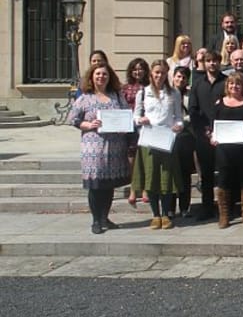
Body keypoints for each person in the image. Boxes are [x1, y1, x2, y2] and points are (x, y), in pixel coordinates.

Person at [69, 63, 131, 234]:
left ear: (109, 77)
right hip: (94, 146)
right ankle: (96, 220)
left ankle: (105, 217)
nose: (101, 77)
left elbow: (127, 114)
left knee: (109, 184)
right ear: (92, 77)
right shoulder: (85, 98)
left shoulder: (117, 96)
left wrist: (125, 125)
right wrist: (89, 124)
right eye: (98, 74)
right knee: (96, 185)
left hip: (115, 146)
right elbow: (73, 119)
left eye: (104, 74)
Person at [132, 60, 184, 230]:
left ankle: (166, 214)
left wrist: (179, 126)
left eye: (162, 72)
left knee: (166, 178)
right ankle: (155, 214)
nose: (159, 76)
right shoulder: (143, 93)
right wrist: (140, 120)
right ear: (151, 74)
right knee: (151, 177)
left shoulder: (174, 93)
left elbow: (179, 117)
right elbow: (136, 115)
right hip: (148, 139)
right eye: (156, 72)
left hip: (166, 139)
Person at [209, 74, 243, 229]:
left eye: (238, 84)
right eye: (231, 84)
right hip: (224, 149)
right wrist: (212, 137)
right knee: (223, 181)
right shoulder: (219, 103)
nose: (234, 87)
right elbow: (212, 126)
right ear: (227, 86)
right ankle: (224, 215)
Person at [187, 51, 226, 221]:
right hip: (203, 136)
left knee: (225, 173)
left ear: (219, 62)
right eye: (208, 61)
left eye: (215, 61)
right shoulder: (197, 84)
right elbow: (193, 110)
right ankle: (207, 207)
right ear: (204, 63)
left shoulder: (226, 82)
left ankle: (226, 207)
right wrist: (205, 131)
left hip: (224, 135)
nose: (212, 64)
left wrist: (219, 130)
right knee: (206, 175)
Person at [122, 58, 149, 206]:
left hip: (146, 125)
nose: (137, 72)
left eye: (140, 69)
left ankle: (145, 188)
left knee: (144, 157)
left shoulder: (150, 87)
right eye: (134, 69)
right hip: (130, 125)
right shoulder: (125, 88)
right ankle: (134, 187)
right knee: (132, 157)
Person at [170, 66, 196, 218]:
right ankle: (170, 208)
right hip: (170, 137)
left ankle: (185, 207)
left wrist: (183, 122)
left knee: (185, 174)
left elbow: (192, 112)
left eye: (184, 77)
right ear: (173, 77)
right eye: (178, 76)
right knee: (172, 173)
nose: (180, 79)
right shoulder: (167, 93)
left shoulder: (190, 95)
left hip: (186, 136)